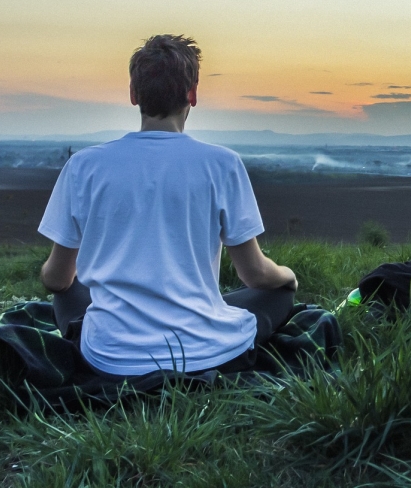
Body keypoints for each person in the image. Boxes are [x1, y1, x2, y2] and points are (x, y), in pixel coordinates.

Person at [38, 34, 298, 377]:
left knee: (68, 289)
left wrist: (69, 279)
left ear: (134, 94)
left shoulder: (84, 166)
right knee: (278, 295)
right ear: (192, 94)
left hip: (110, 357)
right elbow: (255, 275)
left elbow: (56, 280)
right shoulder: (223, 164)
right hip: (205, 352)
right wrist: (288, 277)